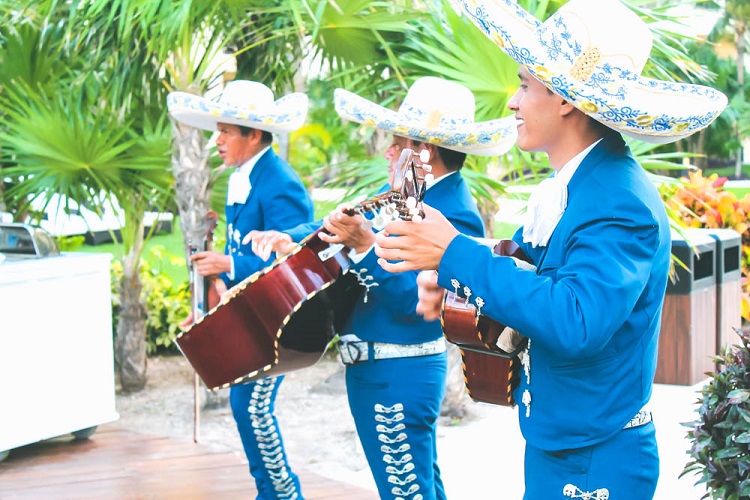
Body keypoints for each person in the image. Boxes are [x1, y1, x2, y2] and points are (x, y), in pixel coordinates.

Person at [373, 0, 728, 498]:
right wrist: (451, 279)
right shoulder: (575, 187)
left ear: (564, 99)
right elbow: (529, 275)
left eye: (523, 84)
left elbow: (575, 320)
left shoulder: (619, 201)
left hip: (595, 459)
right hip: (565, 442)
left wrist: (454, 252)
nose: (513, 102)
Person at [246, 76, 518, 500]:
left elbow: (420, 305)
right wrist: (293, 238)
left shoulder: (456, 215)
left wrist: (366, 247)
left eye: (398, 141)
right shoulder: (404, 195)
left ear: (424, 153)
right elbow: (348, 219)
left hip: (399, 374)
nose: (388, 150)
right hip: (384, 372)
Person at [167, 80, 313, 499]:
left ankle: (282, 494)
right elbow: (242, 246)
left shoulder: (278, 180)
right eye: (217, 131)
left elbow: (294, 257)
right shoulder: (244, 175)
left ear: (253, 135)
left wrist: (230, 263)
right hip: (249, 313)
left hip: (277, 320)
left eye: (226, 132)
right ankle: (272, 492)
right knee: (246, 407)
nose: (217, 141)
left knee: (251, 407)